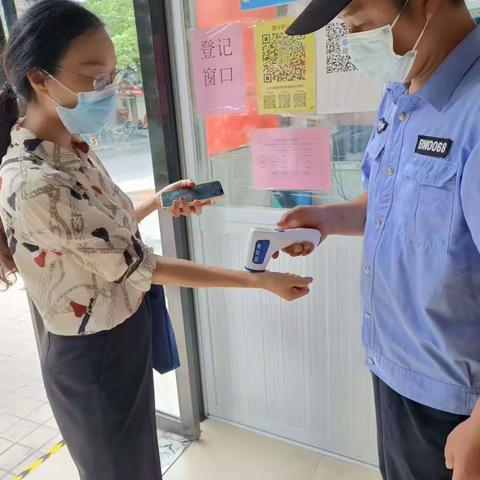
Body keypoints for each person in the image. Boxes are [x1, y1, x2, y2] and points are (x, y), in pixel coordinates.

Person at [0, 2, 313, 479]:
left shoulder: (70, 147)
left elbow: (103, 222)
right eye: (94, 77)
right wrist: (259, 281)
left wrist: (161, 200)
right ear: (40, 79)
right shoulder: (35, 182)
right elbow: (142, 266)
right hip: (92, 354)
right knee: (119, 469)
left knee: (135, 458)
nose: (108, 90)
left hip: (122, 328)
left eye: (112, 74)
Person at [282, 0, 480, 479]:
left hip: (459, 400)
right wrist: (328, 218)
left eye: (361, 23)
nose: (354, 40)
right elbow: (390, 202)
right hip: (396, 368)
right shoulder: (400, 93)